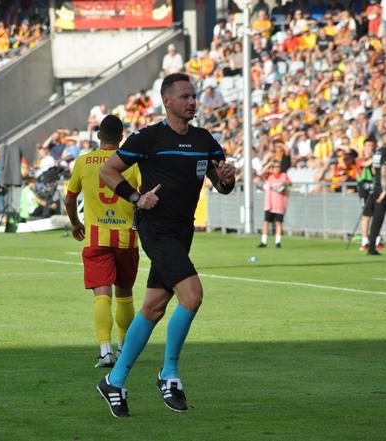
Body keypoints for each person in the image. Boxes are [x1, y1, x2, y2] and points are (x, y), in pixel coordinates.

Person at [96, 73, 236, 417]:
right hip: (155, 228)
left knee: (154, 308)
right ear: (167, 101)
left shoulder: (205, 140)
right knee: (193, 295)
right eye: (185, 96)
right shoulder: (148, 137)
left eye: (194, 96)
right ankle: (169, 374)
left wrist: (228, 180)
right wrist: (135, 197)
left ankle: (114, 380)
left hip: (181, 231)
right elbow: (109, 172)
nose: (192, 101)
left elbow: (221, 185)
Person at [64, 115, 139, 369]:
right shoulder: (133, 164)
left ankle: (105, 351)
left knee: (102, 295)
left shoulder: (83, 162)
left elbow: (69, 198)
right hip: (126, 236)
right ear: (122, 137)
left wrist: (76, 223)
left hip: (96, 236)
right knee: (125, 294)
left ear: (98, 136)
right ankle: (125, 348)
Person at [258, 159, 291, 248]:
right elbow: (261, 174)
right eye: (275, 167)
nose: (277, 168)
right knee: (266, 222)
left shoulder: (284, 176)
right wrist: (269, 163)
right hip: (270, 204)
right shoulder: (270, 176)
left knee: (278, 223)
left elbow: (289, 183)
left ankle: (278, 242)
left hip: (280, 204)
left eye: (278, 167)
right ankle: (263, 241)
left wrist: (284, 184)